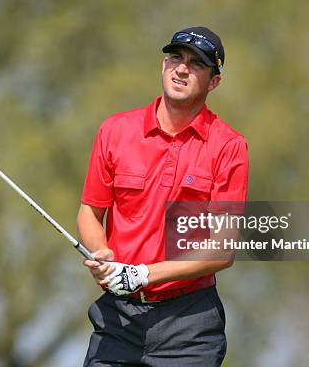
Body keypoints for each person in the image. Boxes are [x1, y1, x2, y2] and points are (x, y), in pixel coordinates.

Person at [78, 26, 249, 366]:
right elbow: (90, 212)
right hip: (118, 319)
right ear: (163, 66)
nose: (182, 69)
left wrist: (143, 275)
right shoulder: (115, 131)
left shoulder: (228, 147)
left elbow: (223, 249)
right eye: (175, 58)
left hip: (189, 325)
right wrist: (103, 257)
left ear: (214, 81)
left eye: (196, 64)